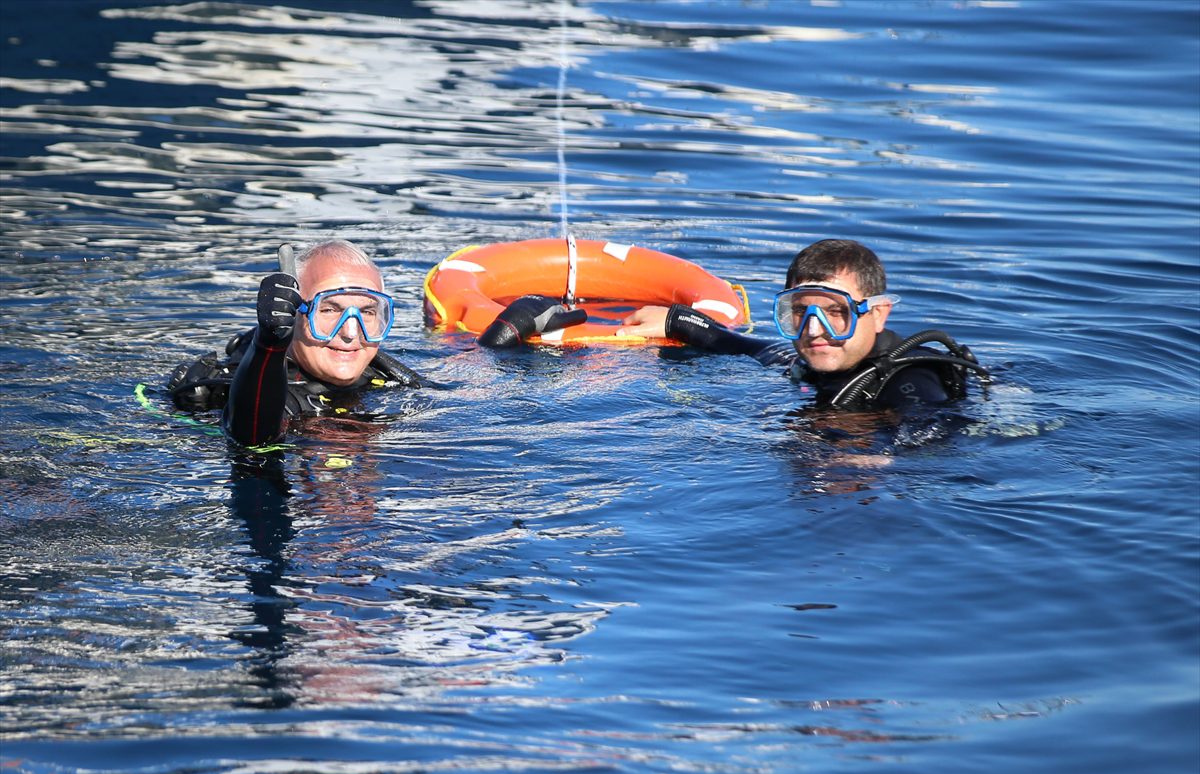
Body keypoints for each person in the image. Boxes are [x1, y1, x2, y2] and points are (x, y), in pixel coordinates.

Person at [168, 239, 581, 447]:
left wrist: (503, 337)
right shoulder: (265, 382)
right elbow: (254, 437)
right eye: (330, 311)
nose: (351, 333)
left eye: (367, 313)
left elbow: (465, 393)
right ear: (295, 315)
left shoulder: (382, 374)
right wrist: (267, 346)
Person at [617, 239, 987, 410]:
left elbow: (933, 438)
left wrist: (871, 452)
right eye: (799, 311)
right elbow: (746, 346)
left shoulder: (911, 380)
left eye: (835, 311)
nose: (813, 329)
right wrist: (676, 319)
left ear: (877, 314)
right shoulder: (811, 363)